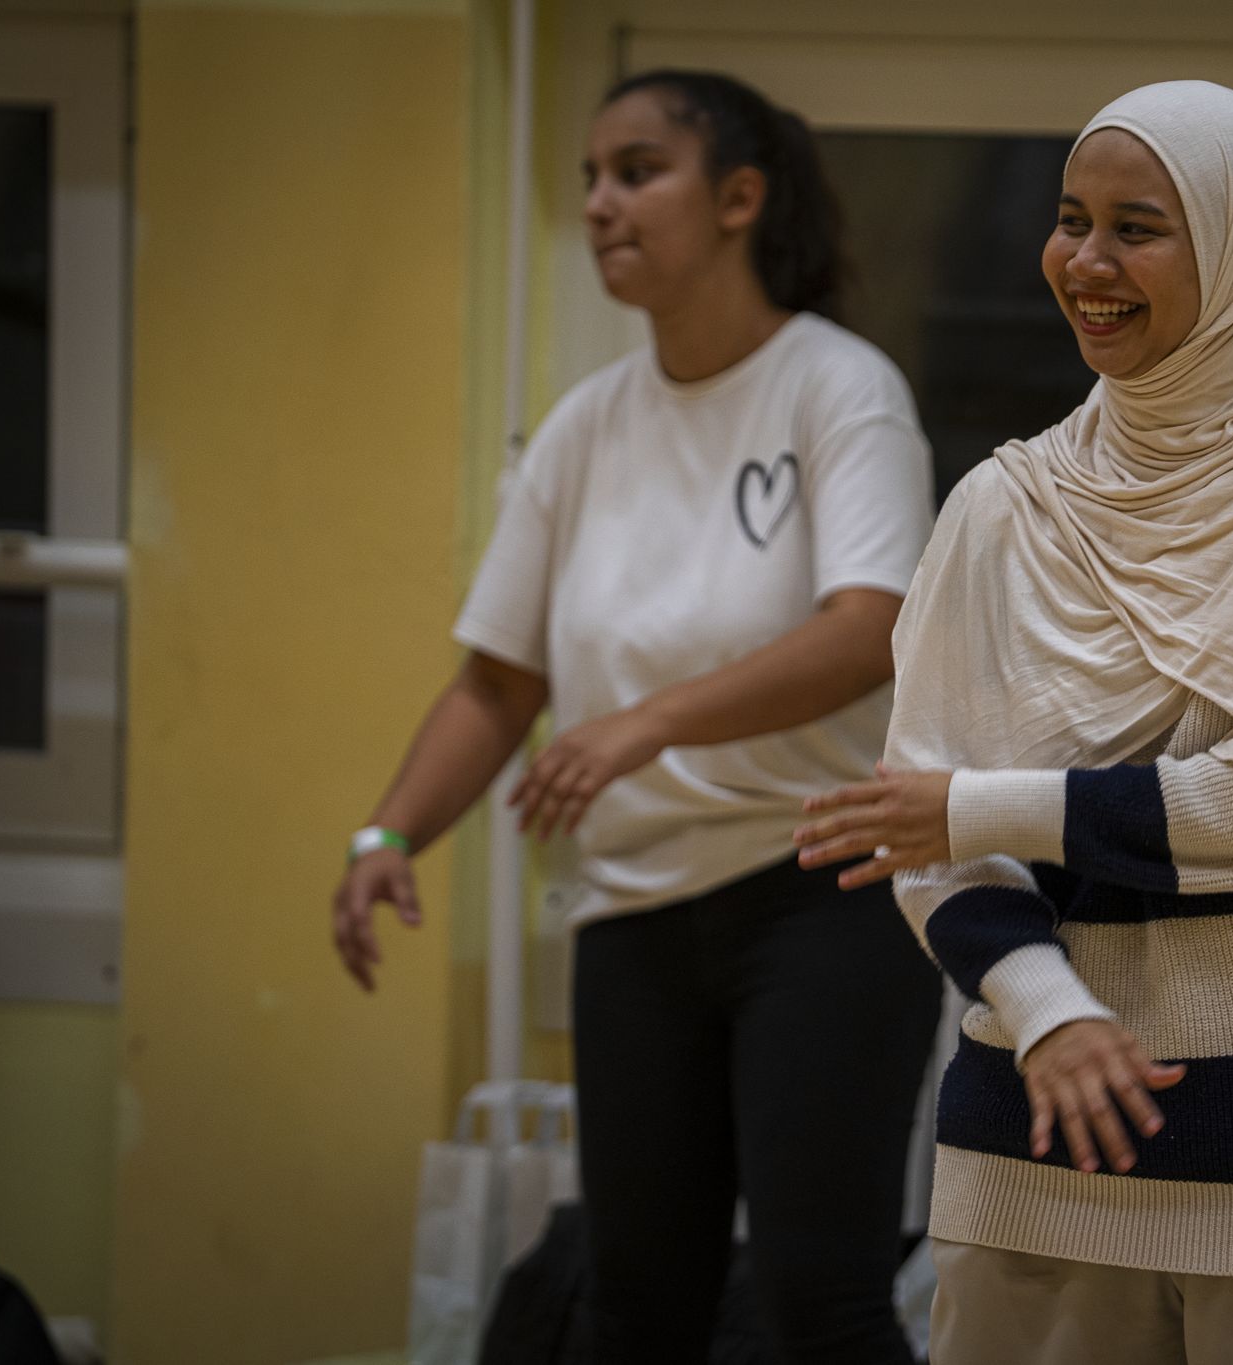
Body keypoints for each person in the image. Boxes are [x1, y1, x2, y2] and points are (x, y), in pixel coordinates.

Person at [793, 81, 1233, 1364]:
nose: (1085, 263)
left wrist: (974, 807)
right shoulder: (1004, 505)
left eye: (1137, 228)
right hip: (1037, 1137)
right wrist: (1046, 1011)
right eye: (1069, 219)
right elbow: (929, 846)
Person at [330, 69, 941, 1365]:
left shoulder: (838, 388)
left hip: (820, 893)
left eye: (637, 171)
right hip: (633, 917)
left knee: (817, 1307)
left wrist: (646, 722)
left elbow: (869, 627)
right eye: (590, 180)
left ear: (738, 198)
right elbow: (496, 684)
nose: (601, 204)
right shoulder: (583, 428)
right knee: (634, 1310)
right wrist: (385, 838)